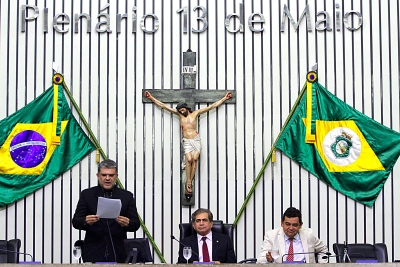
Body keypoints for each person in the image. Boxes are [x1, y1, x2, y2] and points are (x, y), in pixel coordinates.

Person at [145, 91, 232, 195]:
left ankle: (190, 181)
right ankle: (188, 180)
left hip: (195, 139)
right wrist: (151, 97)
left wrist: (224, 98)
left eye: (182, 110)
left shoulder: (195, 114)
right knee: (189, 159)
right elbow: (163, 106)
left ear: (186, 108)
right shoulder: (179, 115)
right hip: (186, 141)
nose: (181, 112)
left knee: (195, 159)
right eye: (180, 111)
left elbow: (212, 106)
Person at [72, 159, 140, 263]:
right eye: (104, 175)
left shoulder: (127, 196)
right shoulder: (87, 195)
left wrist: (127, 223)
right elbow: (76, 221)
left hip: (118, 251)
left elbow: (135, 224)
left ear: (116, 176)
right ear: (98, 175)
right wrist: (86, 221)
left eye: (111, 175)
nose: (107, 178)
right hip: (93, 252)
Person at [257, 207, 328, 263]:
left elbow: (323, 249)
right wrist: (267, 259)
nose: (291, 228)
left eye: (295, 225)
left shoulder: (308, 235)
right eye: (287, 224)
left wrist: (321, 265)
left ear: (300, 225)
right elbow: (260, 260)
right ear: (282, 223)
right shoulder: (271, 236)